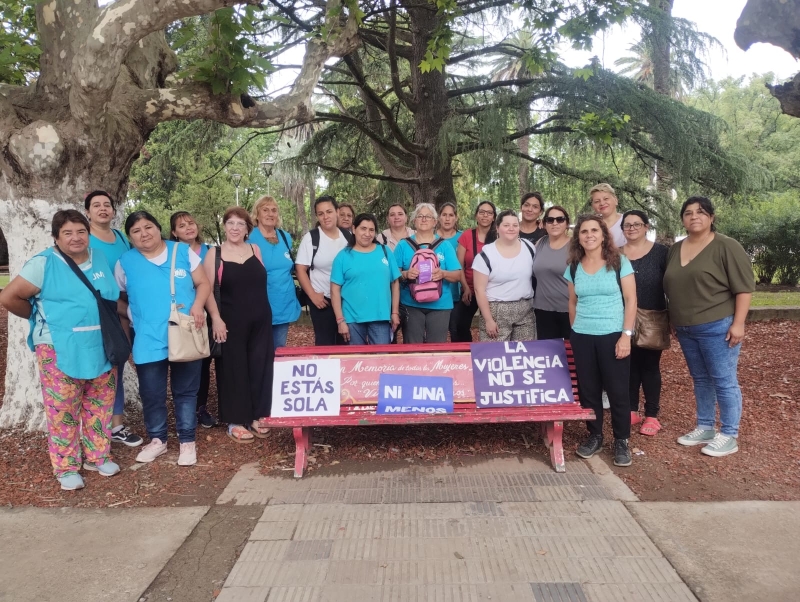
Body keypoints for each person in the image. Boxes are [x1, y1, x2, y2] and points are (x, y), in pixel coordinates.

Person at [0, 210, 121, 490]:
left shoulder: (99, 258)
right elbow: (9, 297)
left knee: (100, 403)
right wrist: (40, 317)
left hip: (101, 344)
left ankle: (97, 456)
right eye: (67, 233)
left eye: (81, 231)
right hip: (59, 346)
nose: (75, 238)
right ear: (56, 237)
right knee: (63, 409)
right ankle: (66, 467)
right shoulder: (43, 263)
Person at [116, 211, 210, 466]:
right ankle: (157, 439)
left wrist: (198, 306)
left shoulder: (182, 251)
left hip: (184, 332)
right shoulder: (125, 262)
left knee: (186, 391)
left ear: (159, 228)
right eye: (136, 231)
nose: (144, 234)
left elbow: (203, 283)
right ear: (130, 237)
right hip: (148, 337)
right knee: (152, 392)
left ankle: (187, 440)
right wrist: (134, 314)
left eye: (148, 227)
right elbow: (118, 297)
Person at [664, 197, 755, 457]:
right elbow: (673, 286)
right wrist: (673, 318)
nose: (694, 217)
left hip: (717, 325)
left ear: (712, 217)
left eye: (701, 212)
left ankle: (729, 433)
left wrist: (739, 323)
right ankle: (705, 426)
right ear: (682, 219)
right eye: (689, 213)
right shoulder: (676, 248)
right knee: (701, 379)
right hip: (685, 327)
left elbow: (744, 288)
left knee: (724, 380)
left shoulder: (726, 246)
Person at [564, 215, 637, 467]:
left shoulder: (620, 263)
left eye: (594, 230)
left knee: (617, 391)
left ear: (604, 235)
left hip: (613, 335)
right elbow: (572, 302)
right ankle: (595, 435)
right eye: (584, 231)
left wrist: (626, 335)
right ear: (579, 237)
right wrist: (576, 330)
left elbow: (631, 301)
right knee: (589, 390)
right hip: (583, 337)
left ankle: (621, 440)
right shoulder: (574, 266)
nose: (589, 235)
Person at [203, 208, 274, 443]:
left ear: (247, 229)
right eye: (230, 223)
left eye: (240, 224)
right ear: (224, 226)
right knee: (234, 369)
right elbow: (207, 290)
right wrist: (216, 319)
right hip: (230, 322)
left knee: (260, 366)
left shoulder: (256, 250)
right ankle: (235, 420)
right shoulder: (215, 254)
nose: (235, 227)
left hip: (261, 319)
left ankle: (256, 415)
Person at [84, 190, 142, 447]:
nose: (102, 209)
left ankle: (116, 425)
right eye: (96, 205)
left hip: (122, 309)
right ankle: (92, 426)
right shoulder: (84, 239)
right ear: (88, 212)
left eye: (107, 204)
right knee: (98, 369)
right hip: (99, 310)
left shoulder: (120, 237)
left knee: (117, 365)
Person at [620, 210, 668, 437]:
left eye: (636, 224)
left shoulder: (661, 253)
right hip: (621, 317)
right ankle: (631, 409)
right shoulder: (615, 254)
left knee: (649, 367)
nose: (631, 229)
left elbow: (672, 286)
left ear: (646, 226)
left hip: (652, 318)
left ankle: (652, 415)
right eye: (627, 225)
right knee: (627, 367)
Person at [170, 211, 218, 430]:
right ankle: (187, 408)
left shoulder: (210, 251)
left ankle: (202, 407)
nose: (188, 228)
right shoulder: (172, 254)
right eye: (181, 226)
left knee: (205, 361)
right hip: (184, 317)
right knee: (188, 361)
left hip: (211, 312)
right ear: (174, 233)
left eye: (190, 223)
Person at [394, 203, 462, 343]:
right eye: (420, 216)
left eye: (428, 216)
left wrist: (443, 274)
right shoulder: (403, 245)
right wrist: (406, 274)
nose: (424, 219)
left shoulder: (445, 245)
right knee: (412, 348)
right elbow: (393, 275)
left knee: (436, 349)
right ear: (414, 221)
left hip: (440, 305)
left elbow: (457, 275)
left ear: (435, 222)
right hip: (410, 304)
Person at [331, 214, 401, 344]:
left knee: (381, 361)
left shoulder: (385, 251)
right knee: (356, 361)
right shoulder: (343, 256)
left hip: (381, 317)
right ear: (354, 229)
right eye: (363, 228)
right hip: (352, 319)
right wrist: (340, 320)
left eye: (371, 230)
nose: (367, 234)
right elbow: (335, 290)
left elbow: (395, 282)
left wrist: (395, 312)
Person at [296, 196, 353, 345]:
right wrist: (312, 295)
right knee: (325, 343)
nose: (325, 216)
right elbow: (301, 269)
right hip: (323, 301)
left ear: (337, 212)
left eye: (329, 211)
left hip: (346, 300)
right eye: (320, 213)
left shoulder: (348, 237)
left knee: (346, 342)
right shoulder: (311, 238)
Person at [472, 210, 536, 342]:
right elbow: (479, 290)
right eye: (506, 225)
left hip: (525, 310)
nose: (511, 229)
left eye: (515, 225)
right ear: (497, 227)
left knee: (524, 355)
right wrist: (488, 319)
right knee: (496, 356)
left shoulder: (529, 247)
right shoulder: (486, 255)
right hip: (496, 311)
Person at [248, 195, 301, 349]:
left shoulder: (285, 237)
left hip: (283, 302)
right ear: (257, 214)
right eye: (265, 210)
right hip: (260, 303)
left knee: (279, 349)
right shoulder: (249, 238)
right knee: (259, 349)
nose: (270, 214)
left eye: (274, 210)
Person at [454, 201, 497, 342]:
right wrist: (465, 288)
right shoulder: (466, 236)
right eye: (482, 212)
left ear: (494, 217)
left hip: (492, 291)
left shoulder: (499, 237)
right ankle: (467, 354)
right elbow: (459, 265)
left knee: (492, 326)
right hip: (470, 289)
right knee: (460, 325)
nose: (485, 215)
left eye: (489, 213)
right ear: (476, 215)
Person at [532, 206, 572, 340]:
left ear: (566, 223)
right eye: (550, 220)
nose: (555, 223)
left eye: (560, 219)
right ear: (544, 224)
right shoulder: (540, 243)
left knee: (570, 356)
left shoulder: (576, 246)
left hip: (569, 310)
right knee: (547, 356)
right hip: (542, 310)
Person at [436, 202, 463, 342]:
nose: (447, 219)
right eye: (444, 215)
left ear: (456, 218)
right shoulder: (431, 238)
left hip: (456, 293)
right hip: (433, 294)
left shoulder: (462, 238)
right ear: (439, 217)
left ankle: (456, 363)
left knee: (455, 330)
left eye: (451, 215)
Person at [589, 183, 626, 247]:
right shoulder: (591, 226)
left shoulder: (628, 222)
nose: (602, 203)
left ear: (616, 200)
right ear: (593, 206)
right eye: (597, 201)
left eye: (606, 199)